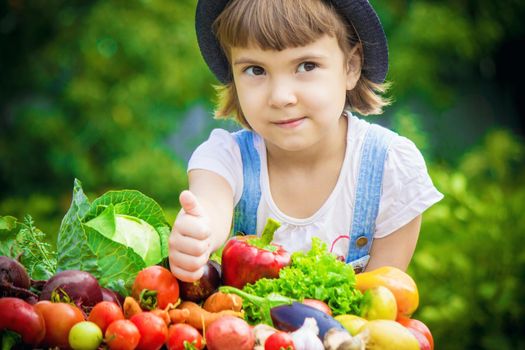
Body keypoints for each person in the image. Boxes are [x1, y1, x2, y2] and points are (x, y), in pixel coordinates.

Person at [169, 0, 443, 282]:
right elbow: (211, 204)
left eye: (306, 65)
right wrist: (199, 232)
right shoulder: (227, 158)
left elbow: (383, 300)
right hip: (240, 328)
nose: (280, 96)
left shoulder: (389, 169)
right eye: (255, 70)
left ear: (351, 67)